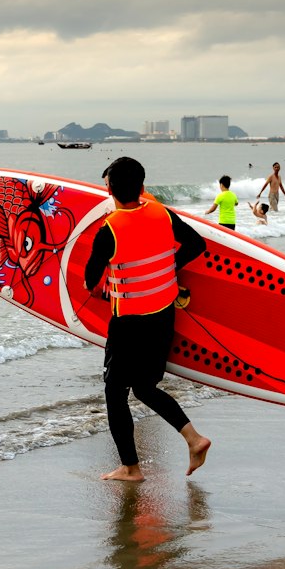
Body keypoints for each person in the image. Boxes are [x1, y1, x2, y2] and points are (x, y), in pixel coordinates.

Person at [83, 156, 212, 482]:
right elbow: (197, 243)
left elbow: (89, 281)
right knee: (143, 387)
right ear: (142, 187)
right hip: (163, 316)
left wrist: (104, 285)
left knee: (115, 392)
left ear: (109, 188)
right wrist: (169, 267)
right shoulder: (163, 214)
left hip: (128, 323)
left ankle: (130, 468)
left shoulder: (108, 229)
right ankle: (194, 440)